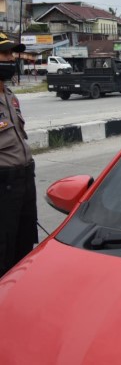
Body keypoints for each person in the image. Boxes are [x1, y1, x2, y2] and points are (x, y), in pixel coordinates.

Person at [0, 32, 37, 277]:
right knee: (3, 248)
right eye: (4, 54)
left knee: (24, 247)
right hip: (3, 183)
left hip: (24, 179)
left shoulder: (10, 97)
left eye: (12, 53)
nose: (11, 58)